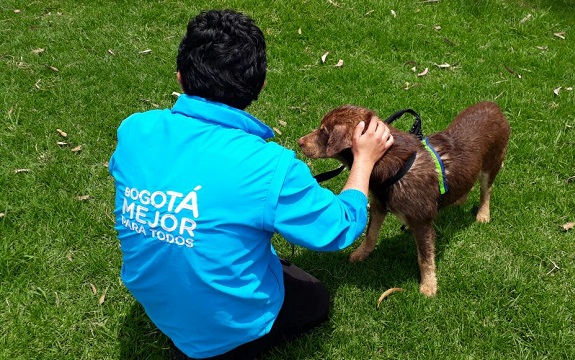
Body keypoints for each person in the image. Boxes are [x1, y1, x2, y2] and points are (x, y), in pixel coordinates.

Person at [109, 8, 393, 360]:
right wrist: (364, 159)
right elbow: (338, 229)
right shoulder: (270, 166)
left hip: (157, 302)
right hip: (226, 327)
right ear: (259, 85)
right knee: (316, 297)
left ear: (180, 76)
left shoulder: (135, 130)